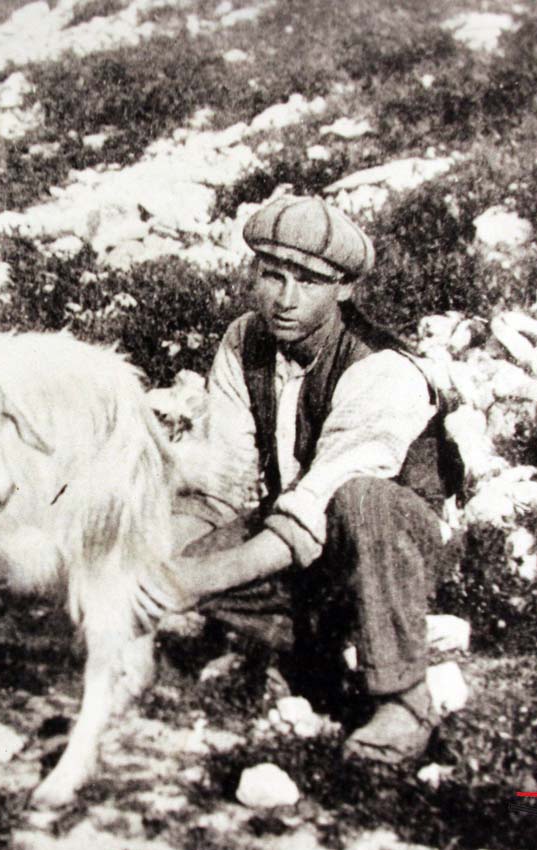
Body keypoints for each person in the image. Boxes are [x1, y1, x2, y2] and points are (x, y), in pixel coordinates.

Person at [138, 195, 462, 764]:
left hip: (392, 545)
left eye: (308, 282)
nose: (284, 299)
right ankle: (312, 645)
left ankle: (403, 700)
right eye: (272, 275)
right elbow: (225, 483)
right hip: (299, 540)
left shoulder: (382, 368)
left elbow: (318, 504)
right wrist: (156, 564)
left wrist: (195, 579)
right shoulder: (245, 340)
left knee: (362, 501)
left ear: (343, 289)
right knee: (159, 558)